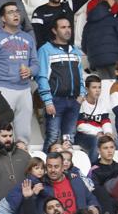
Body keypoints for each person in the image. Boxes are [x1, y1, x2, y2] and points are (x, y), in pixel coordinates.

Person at [36, 17, 85, 148]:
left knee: (68, 140)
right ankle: (47, 168)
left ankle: (66, 168)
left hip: (74, 101)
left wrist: (82, 95)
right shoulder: (45, 50)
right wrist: (47, 101)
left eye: (69, 27)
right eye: (63, 27)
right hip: (55, 101)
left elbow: (80, 76)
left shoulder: (75, 51)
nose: (67, 30)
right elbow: (41, 77)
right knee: (53, 138)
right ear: (54, 30)